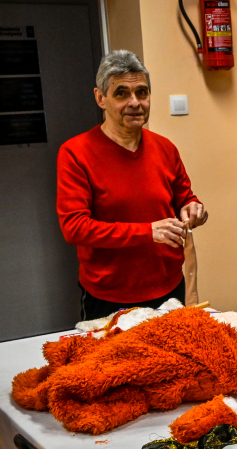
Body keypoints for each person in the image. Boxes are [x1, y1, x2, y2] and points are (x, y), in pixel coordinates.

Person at [57, 50, 207, 321]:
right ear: (100, 98)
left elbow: (185, 198)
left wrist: (193, 209)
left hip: (169, 289)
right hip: (109, 296)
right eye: (122, 93)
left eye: (142, 92)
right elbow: (75, 228)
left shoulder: (165, 148)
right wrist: (147, 232)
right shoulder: (75, 153)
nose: (135, 102)